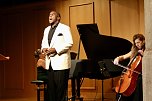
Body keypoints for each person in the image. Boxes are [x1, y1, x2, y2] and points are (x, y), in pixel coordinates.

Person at [41, 10, 73, 101]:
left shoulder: (64, 28)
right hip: (50, 63)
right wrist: (44, 48)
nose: (50, 16)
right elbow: (44, 43)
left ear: (58, 18)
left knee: (61, 90)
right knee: (51, 90)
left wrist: (56, 49)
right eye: (49, 15)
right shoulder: (46, 29)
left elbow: (69, 43)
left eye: (52, 14)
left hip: (61, 64)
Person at [113, 33, 145, 101]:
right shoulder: (134, 51)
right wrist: (118, 58)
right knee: (121, 90)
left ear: (142, 41)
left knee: (138, 83)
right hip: (131, 74)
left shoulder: (147, 51)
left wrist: (144, 55)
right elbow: (124, 56)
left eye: (138, 42)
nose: (137, 44)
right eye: (136, 43)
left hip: (140, 75)